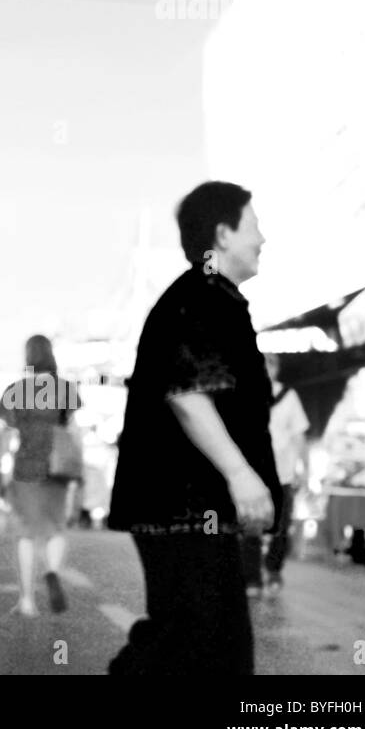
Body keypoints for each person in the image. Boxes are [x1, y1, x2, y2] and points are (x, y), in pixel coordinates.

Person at [108, 181, 280, 675]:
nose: (263, 239)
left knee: (198, 643)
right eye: (255, 226)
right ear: (224, 234)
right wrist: (241, 474)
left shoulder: (210, 294)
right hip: (183, 505)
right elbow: (186, 393)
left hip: (189, 508)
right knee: (200, 644)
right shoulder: (203, 296)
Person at [0, 335, 77, 616]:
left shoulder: (17, 389)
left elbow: (7, 434)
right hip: (59, 466)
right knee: (55, 527)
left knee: (26, 533)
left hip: (26, 466)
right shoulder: (65, 389)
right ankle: (52, 571)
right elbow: (73, 430)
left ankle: (28, 600)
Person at [241, 352, 308, 596]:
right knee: (252, 527)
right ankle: (252, 579)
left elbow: (299, 435)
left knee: (281, 526)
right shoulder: (245, 395)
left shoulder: (289, 397)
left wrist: (305, 469)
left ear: (276, 370)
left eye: (269, 367)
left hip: (283, 474)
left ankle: (273, 569)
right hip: (254, 474)